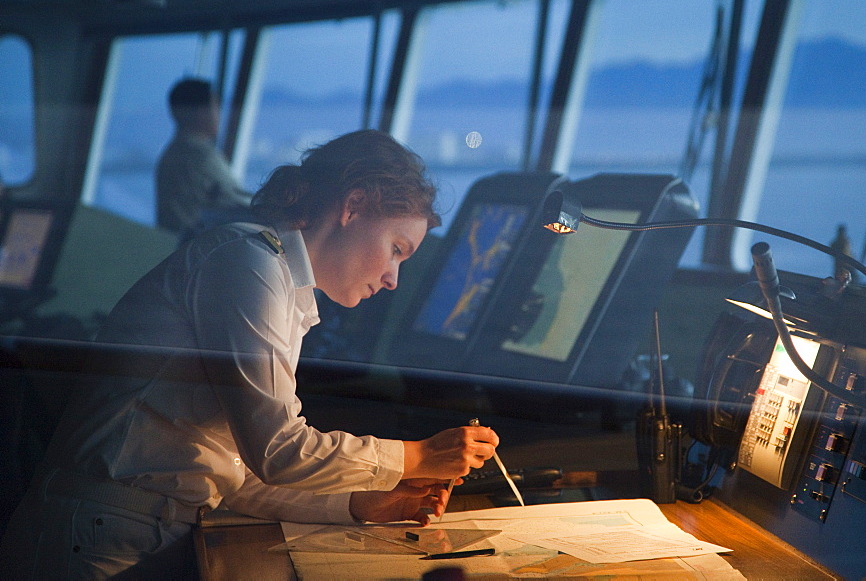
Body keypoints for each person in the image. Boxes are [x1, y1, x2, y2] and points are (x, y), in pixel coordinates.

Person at [0, 129, 500, 579]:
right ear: (352, 206)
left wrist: (365, 503)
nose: (394, 279)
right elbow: (279, 451)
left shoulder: (284, 287)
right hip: (95, 543)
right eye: (397, 248)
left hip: (129, 531)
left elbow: (239, 474)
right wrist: (417, 455)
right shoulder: (247, 262)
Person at [155, 77, 252, 236]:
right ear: (200, 111)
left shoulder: (171, 154)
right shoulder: (199, 156)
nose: (219, 114)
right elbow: (237, 201)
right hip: (194, 248)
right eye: (216, 106)